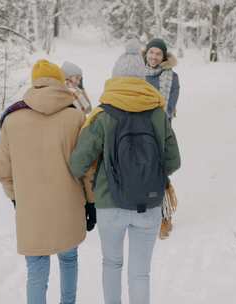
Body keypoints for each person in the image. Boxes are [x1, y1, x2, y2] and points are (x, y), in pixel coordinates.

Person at [69, 40, 181, 304]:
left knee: (112, 264)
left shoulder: (102, 114)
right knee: (141, 273)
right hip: (149, 203)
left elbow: (77, 164)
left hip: (110, 204)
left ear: (115, 77)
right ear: (142, 77)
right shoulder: (157, 113)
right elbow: (173, 161)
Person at [0, 59, 88, 304]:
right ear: (59, 81)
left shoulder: (12, 119)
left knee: (36, 269)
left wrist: (17, 197)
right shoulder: (75, 117)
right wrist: (90, 202)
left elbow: (2, 170)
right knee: (69, 259)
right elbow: (88, 166)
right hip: (68, 206)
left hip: (31, 210)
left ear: (35, 82)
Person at [143, 38, 180, 120]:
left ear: (163, 57)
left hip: (161, 124)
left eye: (158, 54)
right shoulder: (137, 73)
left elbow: (170, 108)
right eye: (151, 52)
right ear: (146, 54)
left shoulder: (173, 78)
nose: (154, 57)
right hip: (137, 125)